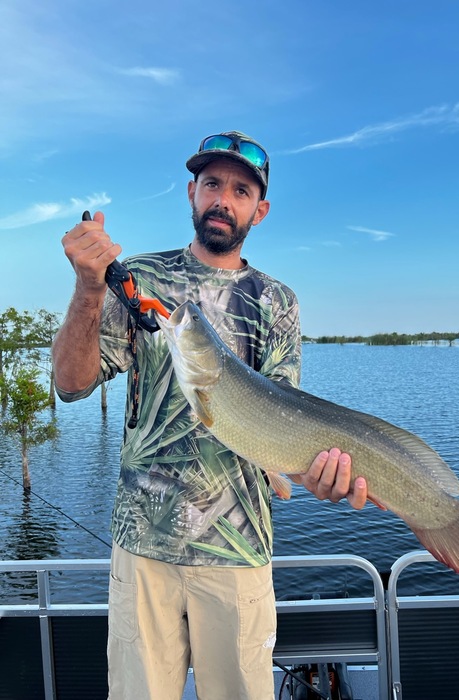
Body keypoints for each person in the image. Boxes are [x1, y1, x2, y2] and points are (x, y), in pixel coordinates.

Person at [52, 131, 370, 700]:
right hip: (141, 548)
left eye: (241, 190)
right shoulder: (139, 281)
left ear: (260, 209)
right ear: (193, 193)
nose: (224, 198)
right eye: (213, 184)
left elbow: (281, 420)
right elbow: (71, 386)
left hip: (239, 551)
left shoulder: (277, 301)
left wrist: (312, 471)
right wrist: (86, 288)